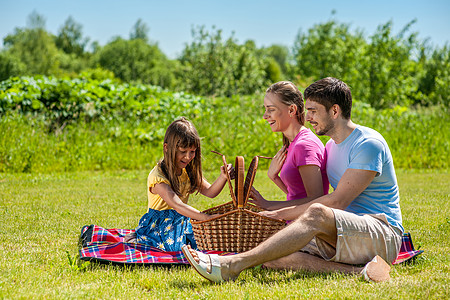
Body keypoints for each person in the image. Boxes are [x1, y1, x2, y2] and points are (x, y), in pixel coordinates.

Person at [182, 77, 403, 283]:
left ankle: (231, 265)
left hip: (382, 233)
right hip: (344, 231)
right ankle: (362, 272)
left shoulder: (368, 144)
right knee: (271, 252)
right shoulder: (330, 147)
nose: (308, 118)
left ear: (335, 111)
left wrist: (276, 213)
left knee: (317, 212)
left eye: (314, 111)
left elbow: (336, 202)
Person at [124, 117, 231, 251]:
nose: (188, 157)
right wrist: (205, 218)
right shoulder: (158, 177)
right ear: (167, 148)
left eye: (192, 152)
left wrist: (223, 177)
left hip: (181, 222)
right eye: (182, 152)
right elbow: (177, 205)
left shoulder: (188, 171)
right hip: (158, 226)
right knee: (174, 248)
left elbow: (210, 192)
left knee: (207, 242)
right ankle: (139, 238)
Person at [251, 81, 329, 213]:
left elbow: (316, 199)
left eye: (271, 109)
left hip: (306, 228)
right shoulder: (294, 143)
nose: (265, 116)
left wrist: (268, 205)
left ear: (292, 110)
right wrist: (274, 177)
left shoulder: (304, 145)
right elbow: (297, 194)